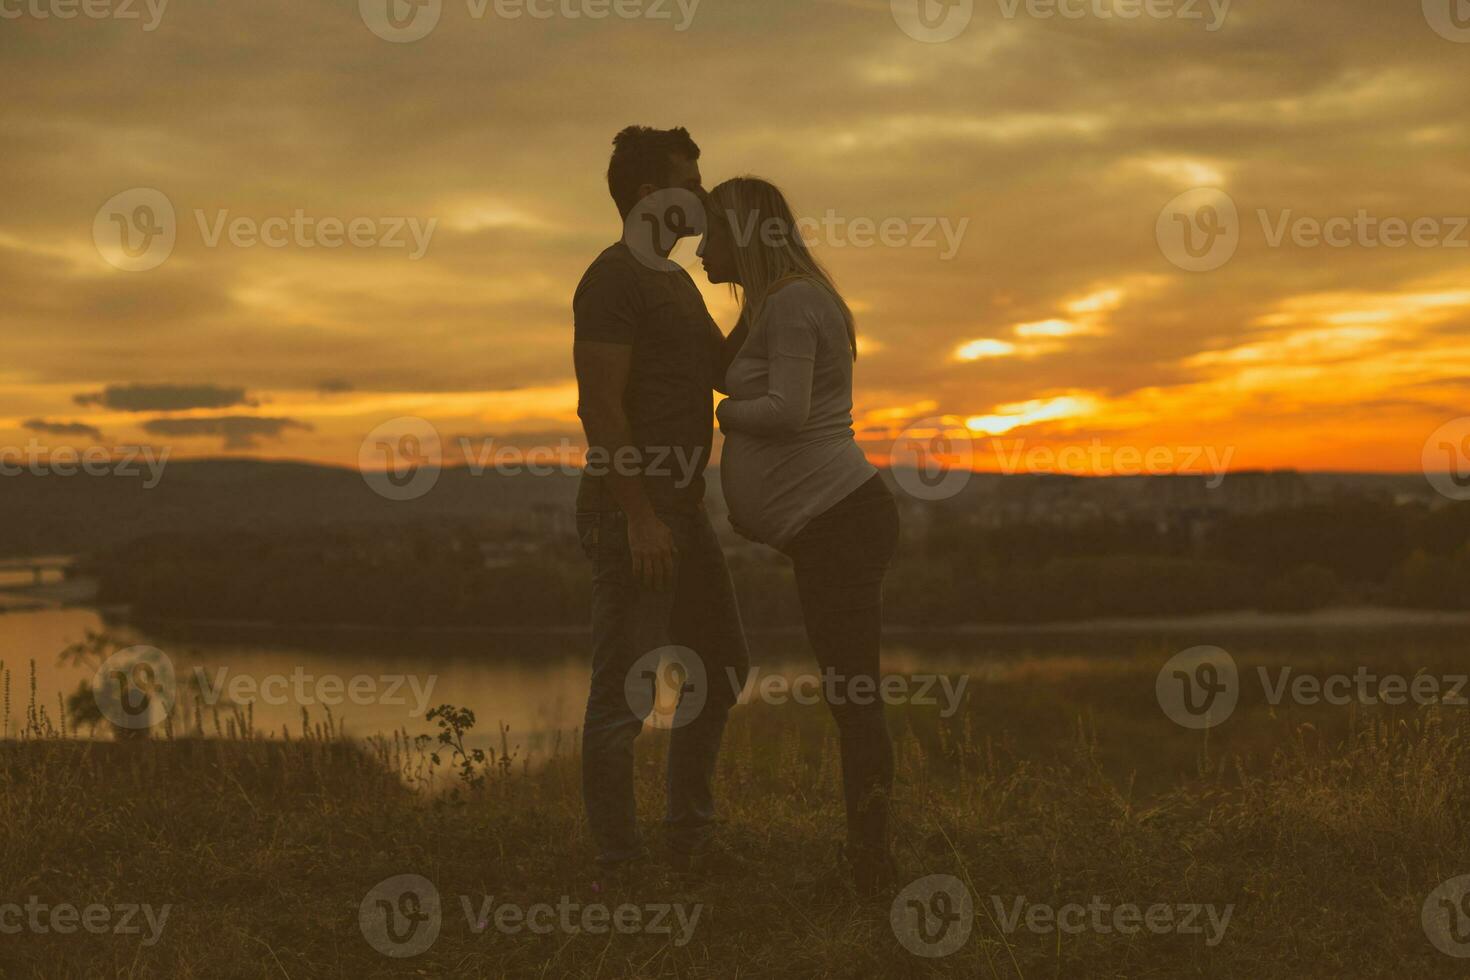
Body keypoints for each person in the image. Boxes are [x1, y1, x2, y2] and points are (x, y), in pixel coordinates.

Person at [700, 176, 900, 896]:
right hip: (830, 523)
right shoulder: (774, 304)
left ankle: (872, 867)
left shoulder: (791, 305)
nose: (699, 249)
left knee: (854, 697)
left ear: (745, 234)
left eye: (712, 233)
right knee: (851, 695)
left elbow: (783, 411)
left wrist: (725, 422)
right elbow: (722, 369)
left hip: (838, 521)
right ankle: (868, 856)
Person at [572, 126, 749, 874]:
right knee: (625, 695)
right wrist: (640, 518)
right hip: (634, 511)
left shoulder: (676, 282)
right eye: (691, 181)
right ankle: (620, 863)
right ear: (651, 196)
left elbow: (724, 372)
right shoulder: (613, 279)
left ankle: (688, 836)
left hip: (681, 508)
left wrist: (773, 288)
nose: (703, 195)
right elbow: (601, 409)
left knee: (721, 665)